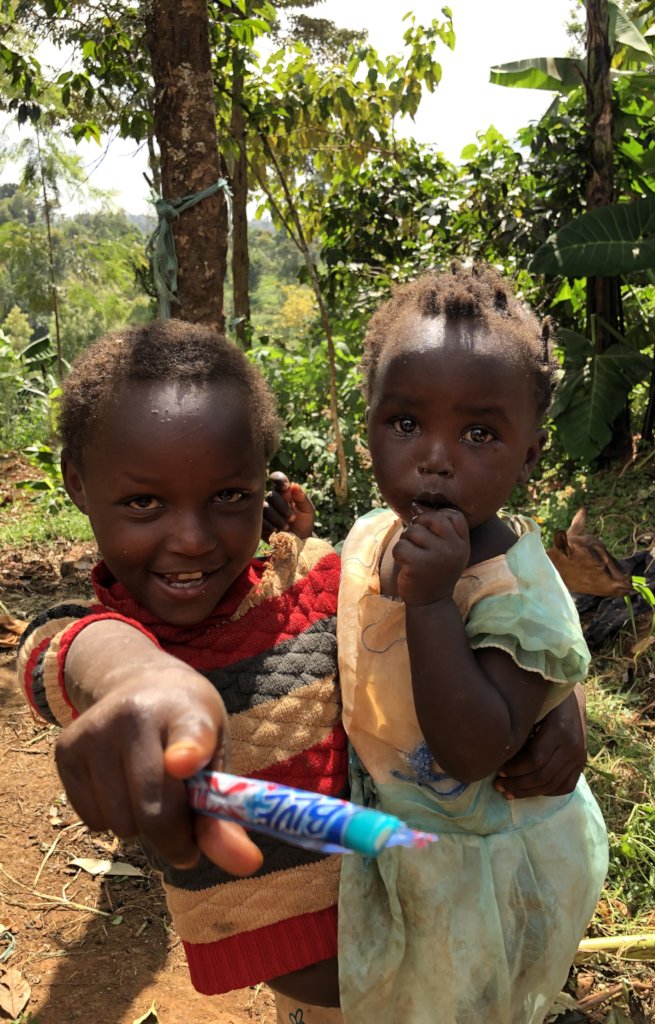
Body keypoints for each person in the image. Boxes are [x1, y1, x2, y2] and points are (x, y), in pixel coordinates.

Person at [15, 316, 590, 1024]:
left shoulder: (320, 585)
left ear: (265, 487)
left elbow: (493, 624)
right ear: (77, 485)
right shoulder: (119, 635)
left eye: (228, 496)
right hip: (325, 996)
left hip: (432, 955)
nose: (191, 539)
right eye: (144, 502)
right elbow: (60, 647)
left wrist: (560, 704)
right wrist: (140, 678)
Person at [335, 263, 610, 1024]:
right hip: (402, 833)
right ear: (371, 432)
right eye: (406, 423)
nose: (436, 456)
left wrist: (430, 604)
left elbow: (475, 750)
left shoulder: (513, 594)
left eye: (479, 432)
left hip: (484, 866)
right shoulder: (371, 535)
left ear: (529, 455)